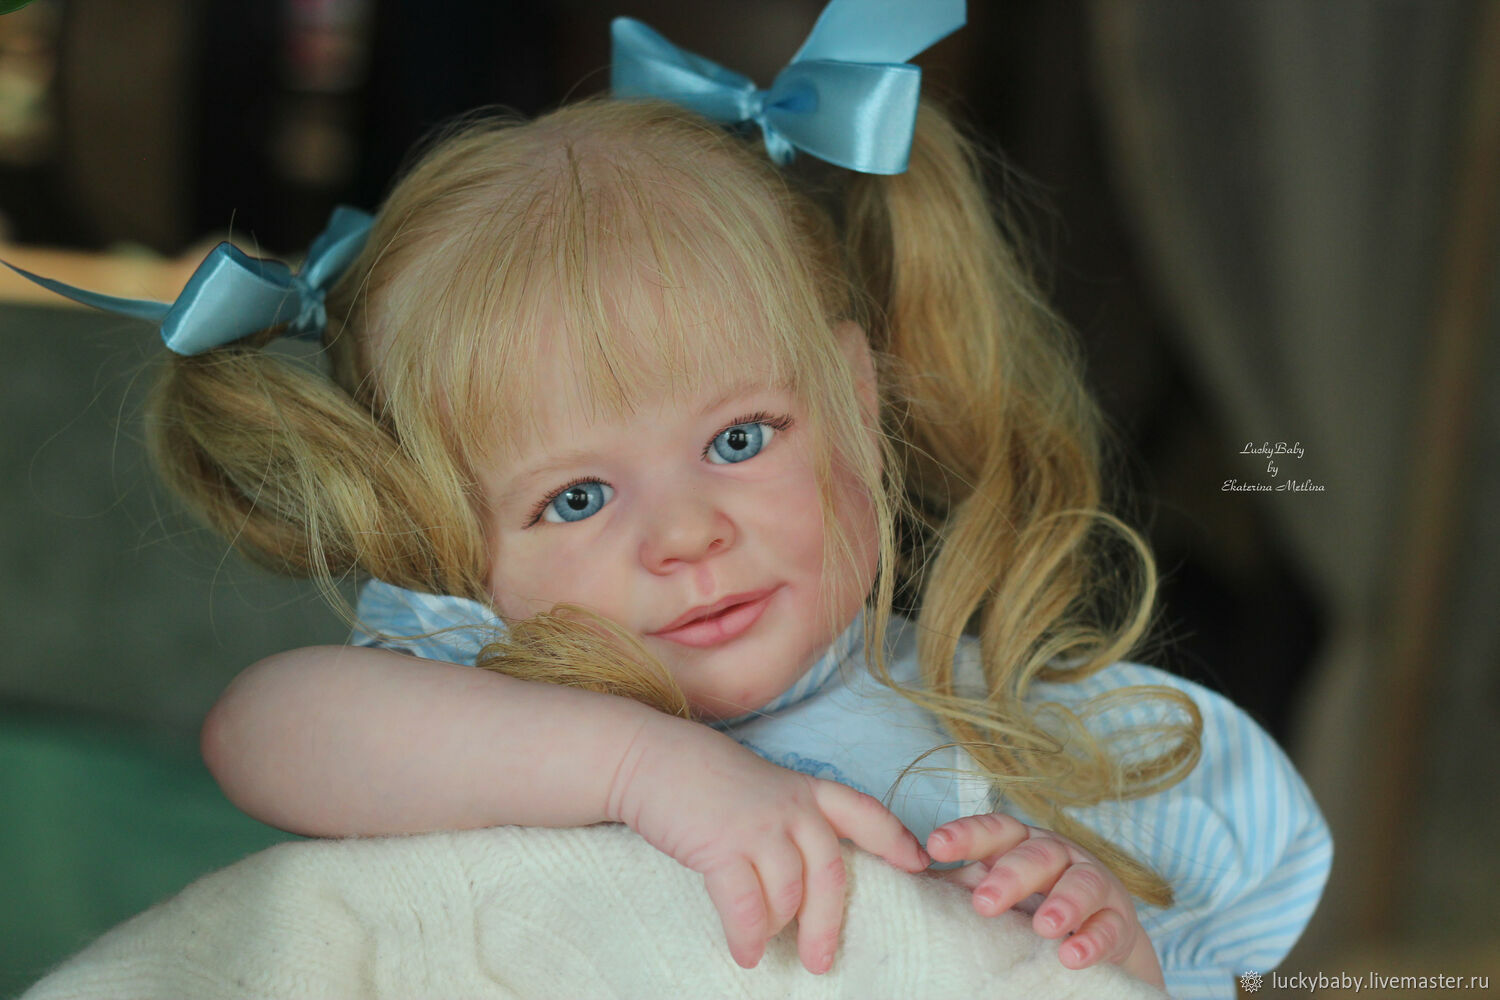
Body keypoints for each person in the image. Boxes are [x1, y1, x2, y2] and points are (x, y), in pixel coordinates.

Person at [15, 5, 1331, 997]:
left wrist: (1103, 942)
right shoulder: (496, 687)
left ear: (855, 401)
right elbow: (260, 731)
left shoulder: (1019, 742)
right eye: (578, 496)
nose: (688, 532)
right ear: (454, 541)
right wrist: (644, 769)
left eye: (739, 438)